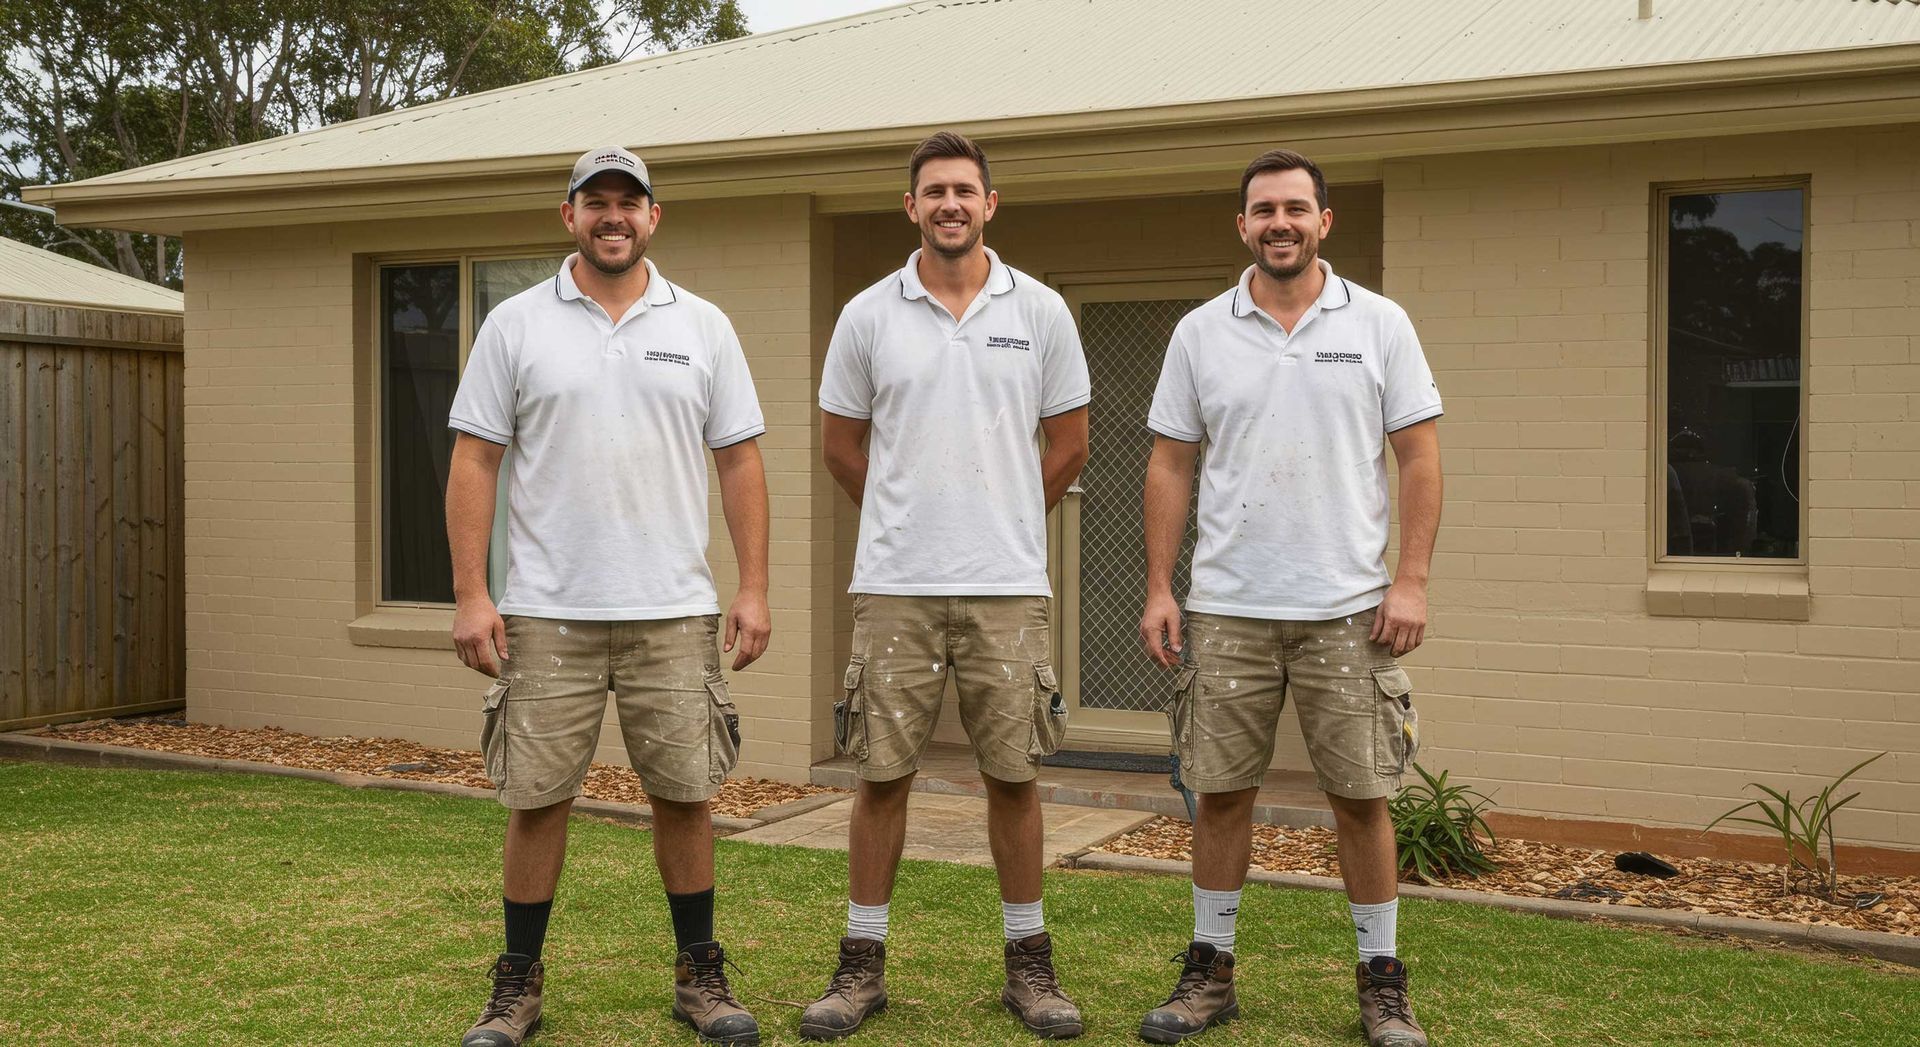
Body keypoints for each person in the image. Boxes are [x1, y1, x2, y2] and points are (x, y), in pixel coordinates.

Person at [445, 145, 771, 1047]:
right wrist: (473, 593)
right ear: (571, 215)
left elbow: (739, 459)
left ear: (654, 217)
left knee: (685, 793)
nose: (614, 215)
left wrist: (753, 587)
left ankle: (700, 978)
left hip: (673, 607)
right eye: (598, 201)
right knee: (538, 798)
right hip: (547, 610)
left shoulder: (703, 325)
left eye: (630, 201)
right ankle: (516, 988)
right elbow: (475, 459)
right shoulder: (514, 324)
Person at [1135, 148, 1443, 1047]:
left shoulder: (1381, 324)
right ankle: (1210, 971)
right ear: (1243, 225)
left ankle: (1383, 984)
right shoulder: (1200, 332)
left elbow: (1419, 455)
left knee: (1360, 798)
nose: (1280, 222)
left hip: (1350, 608)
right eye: (1263, 209)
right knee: (1221, 793)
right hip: (1228, 606)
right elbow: (1170, 461)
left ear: (1323, 221)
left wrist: (1411, 579)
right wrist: (1161, 584)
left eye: (1295, 208)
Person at [802, 130, 1091, 1041]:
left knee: (1015, 775)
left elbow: (1072, 443)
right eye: (934, 191)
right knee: (882, 778)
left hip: (1008, 585)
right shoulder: (867, 315)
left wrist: (1002, 511)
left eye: (965, 189)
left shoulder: (1040, 310)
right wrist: (909, 510)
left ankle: (1030, 967)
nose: (950, 204)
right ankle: (861, 967)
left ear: (989, 204)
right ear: (911, 206)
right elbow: (840, 447)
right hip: (894, 585)